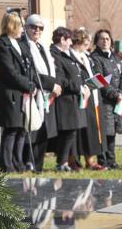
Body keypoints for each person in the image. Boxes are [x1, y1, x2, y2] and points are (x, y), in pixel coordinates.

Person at [0, 12, 36, 173]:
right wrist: (28, 85)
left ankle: (18, 163)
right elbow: (10, 72)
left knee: (21, 129)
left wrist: (32, 83)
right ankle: (6, 165)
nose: (23, 29)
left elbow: (27, 68)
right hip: (9, 95)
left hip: (22, 94)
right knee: (11, 129)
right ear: (12, 26)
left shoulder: (21, 44)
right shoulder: (1, 45)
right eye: (20, 25)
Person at [22, 14, 62, 173]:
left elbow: (54, 68)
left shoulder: (43, 47)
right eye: (33, 27)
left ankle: (39, 165)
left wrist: (56, 84)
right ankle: (29, 163)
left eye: (40, 28)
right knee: (33, 132)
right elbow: (31, 72)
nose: (36, 30)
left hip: (47, 96)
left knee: (44, 133)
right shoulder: (25, 46)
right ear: (26, 28)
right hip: (35, 94)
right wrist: (52, 85)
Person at [90, 29, 122, 170]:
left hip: (118, 100)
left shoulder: (115, 57)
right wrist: (115, 94)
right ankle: (103, 160)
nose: (105, 41)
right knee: (106, 131)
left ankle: (112, 161)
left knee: (114, 131)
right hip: (104, 100)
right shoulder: (95, 57)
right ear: (97, 41)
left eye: (107, 39)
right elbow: (99, 79)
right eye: (102, 39)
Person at [49, 27, 86, 172]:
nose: (71, 42)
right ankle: (62, 162)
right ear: (62, 39)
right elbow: (61, 79)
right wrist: (77, 87)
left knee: (71, 133)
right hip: (65, 99)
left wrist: (82, 86)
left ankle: (65, 161)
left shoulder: (65, 54)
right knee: (67, 133)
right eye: (69, 39)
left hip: (72, 99)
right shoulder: (55, 54)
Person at [69, 29, 103, 171]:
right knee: (77, 133)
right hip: (78, 97)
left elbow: (91, 74)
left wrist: (98, 81)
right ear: (79, 41)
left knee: (90, 131)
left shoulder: (87, 56)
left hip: (90, 97)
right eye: (86, 43)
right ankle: (73, 160)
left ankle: (91, 160)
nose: (88, 46)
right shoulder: (71, 55)